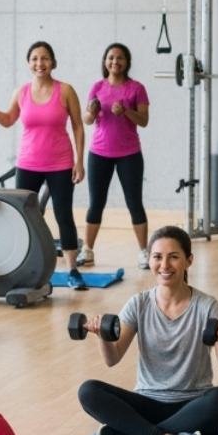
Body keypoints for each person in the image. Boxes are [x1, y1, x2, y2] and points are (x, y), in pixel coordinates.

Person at [75, 226, 218, 435]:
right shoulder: (139, 304)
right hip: (146, 404)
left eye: (173, 257)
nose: (164, 265)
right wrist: (104, 338)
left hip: (192, 408)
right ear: (149, 260)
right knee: (88, 391)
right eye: (157, 257)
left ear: (188, 260)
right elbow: (113, 358)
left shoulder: (207, 306)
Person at [0, 41, 87, 290]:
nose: (40, 63)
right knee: (25, 216)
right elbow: (8, 120)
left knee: (63, 214)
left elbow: (78, 126)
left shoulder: (66, 90)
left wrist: (80, 162)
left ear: (53, 62)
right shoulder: (21, 92)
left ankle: (72, 270)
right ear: (29, 64)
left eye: (45, 58)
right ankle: (25, 266)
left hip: (60, 162)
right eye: (35, 59)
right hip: (28, 163)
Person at [80, 43, 150, 270]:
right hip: (99, 153)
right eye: (111, 57)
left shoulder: (136, 88)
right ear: (105, 61)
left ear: (127, 62)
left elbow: (144, 121)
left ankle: (144, 252)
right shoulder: (97, 87)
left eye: (120, 58)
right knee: (96, 203)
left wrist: (127, 111)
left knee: (134, 202)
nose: (115, 62)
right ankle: (87, 250)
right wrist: (91, 112)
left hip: (129, 154)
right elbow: (88, 119)